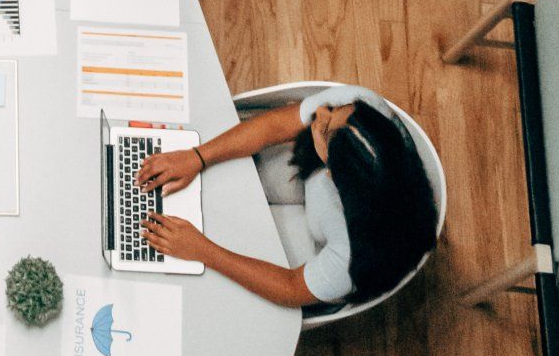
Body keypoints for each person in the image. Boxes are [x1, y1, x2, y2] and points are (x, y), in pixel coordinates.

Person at [135, 84, 438, 310]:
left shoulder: (356, 257)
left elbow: (291, 288)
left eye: (325, 128)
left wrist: (203, 251)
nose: (321, 113)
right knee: (219, 185)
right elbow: (278, 124)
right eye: (332, 113)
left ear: (335, 175)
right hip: (307, 181)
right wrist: (197, 157)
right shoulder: (365, 108)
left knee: (214, 276)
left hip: (313, 249)